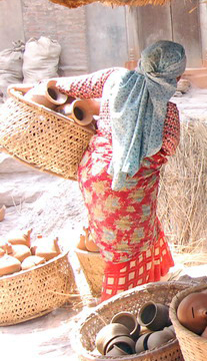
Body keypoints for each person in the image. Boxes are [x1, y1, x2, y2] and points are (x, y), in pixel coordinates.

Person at [51, 40, 186, 301]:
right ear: (172, 76)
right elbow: (168, 147)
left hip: (95, 175)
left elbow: (74, 86)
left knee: (119, 246)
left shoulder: (115, 78)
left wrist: (48, 86)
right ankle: (123, 307)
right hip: (128, 190)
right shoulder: (168, 110)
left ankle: (135, 300)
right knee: (129, 251)